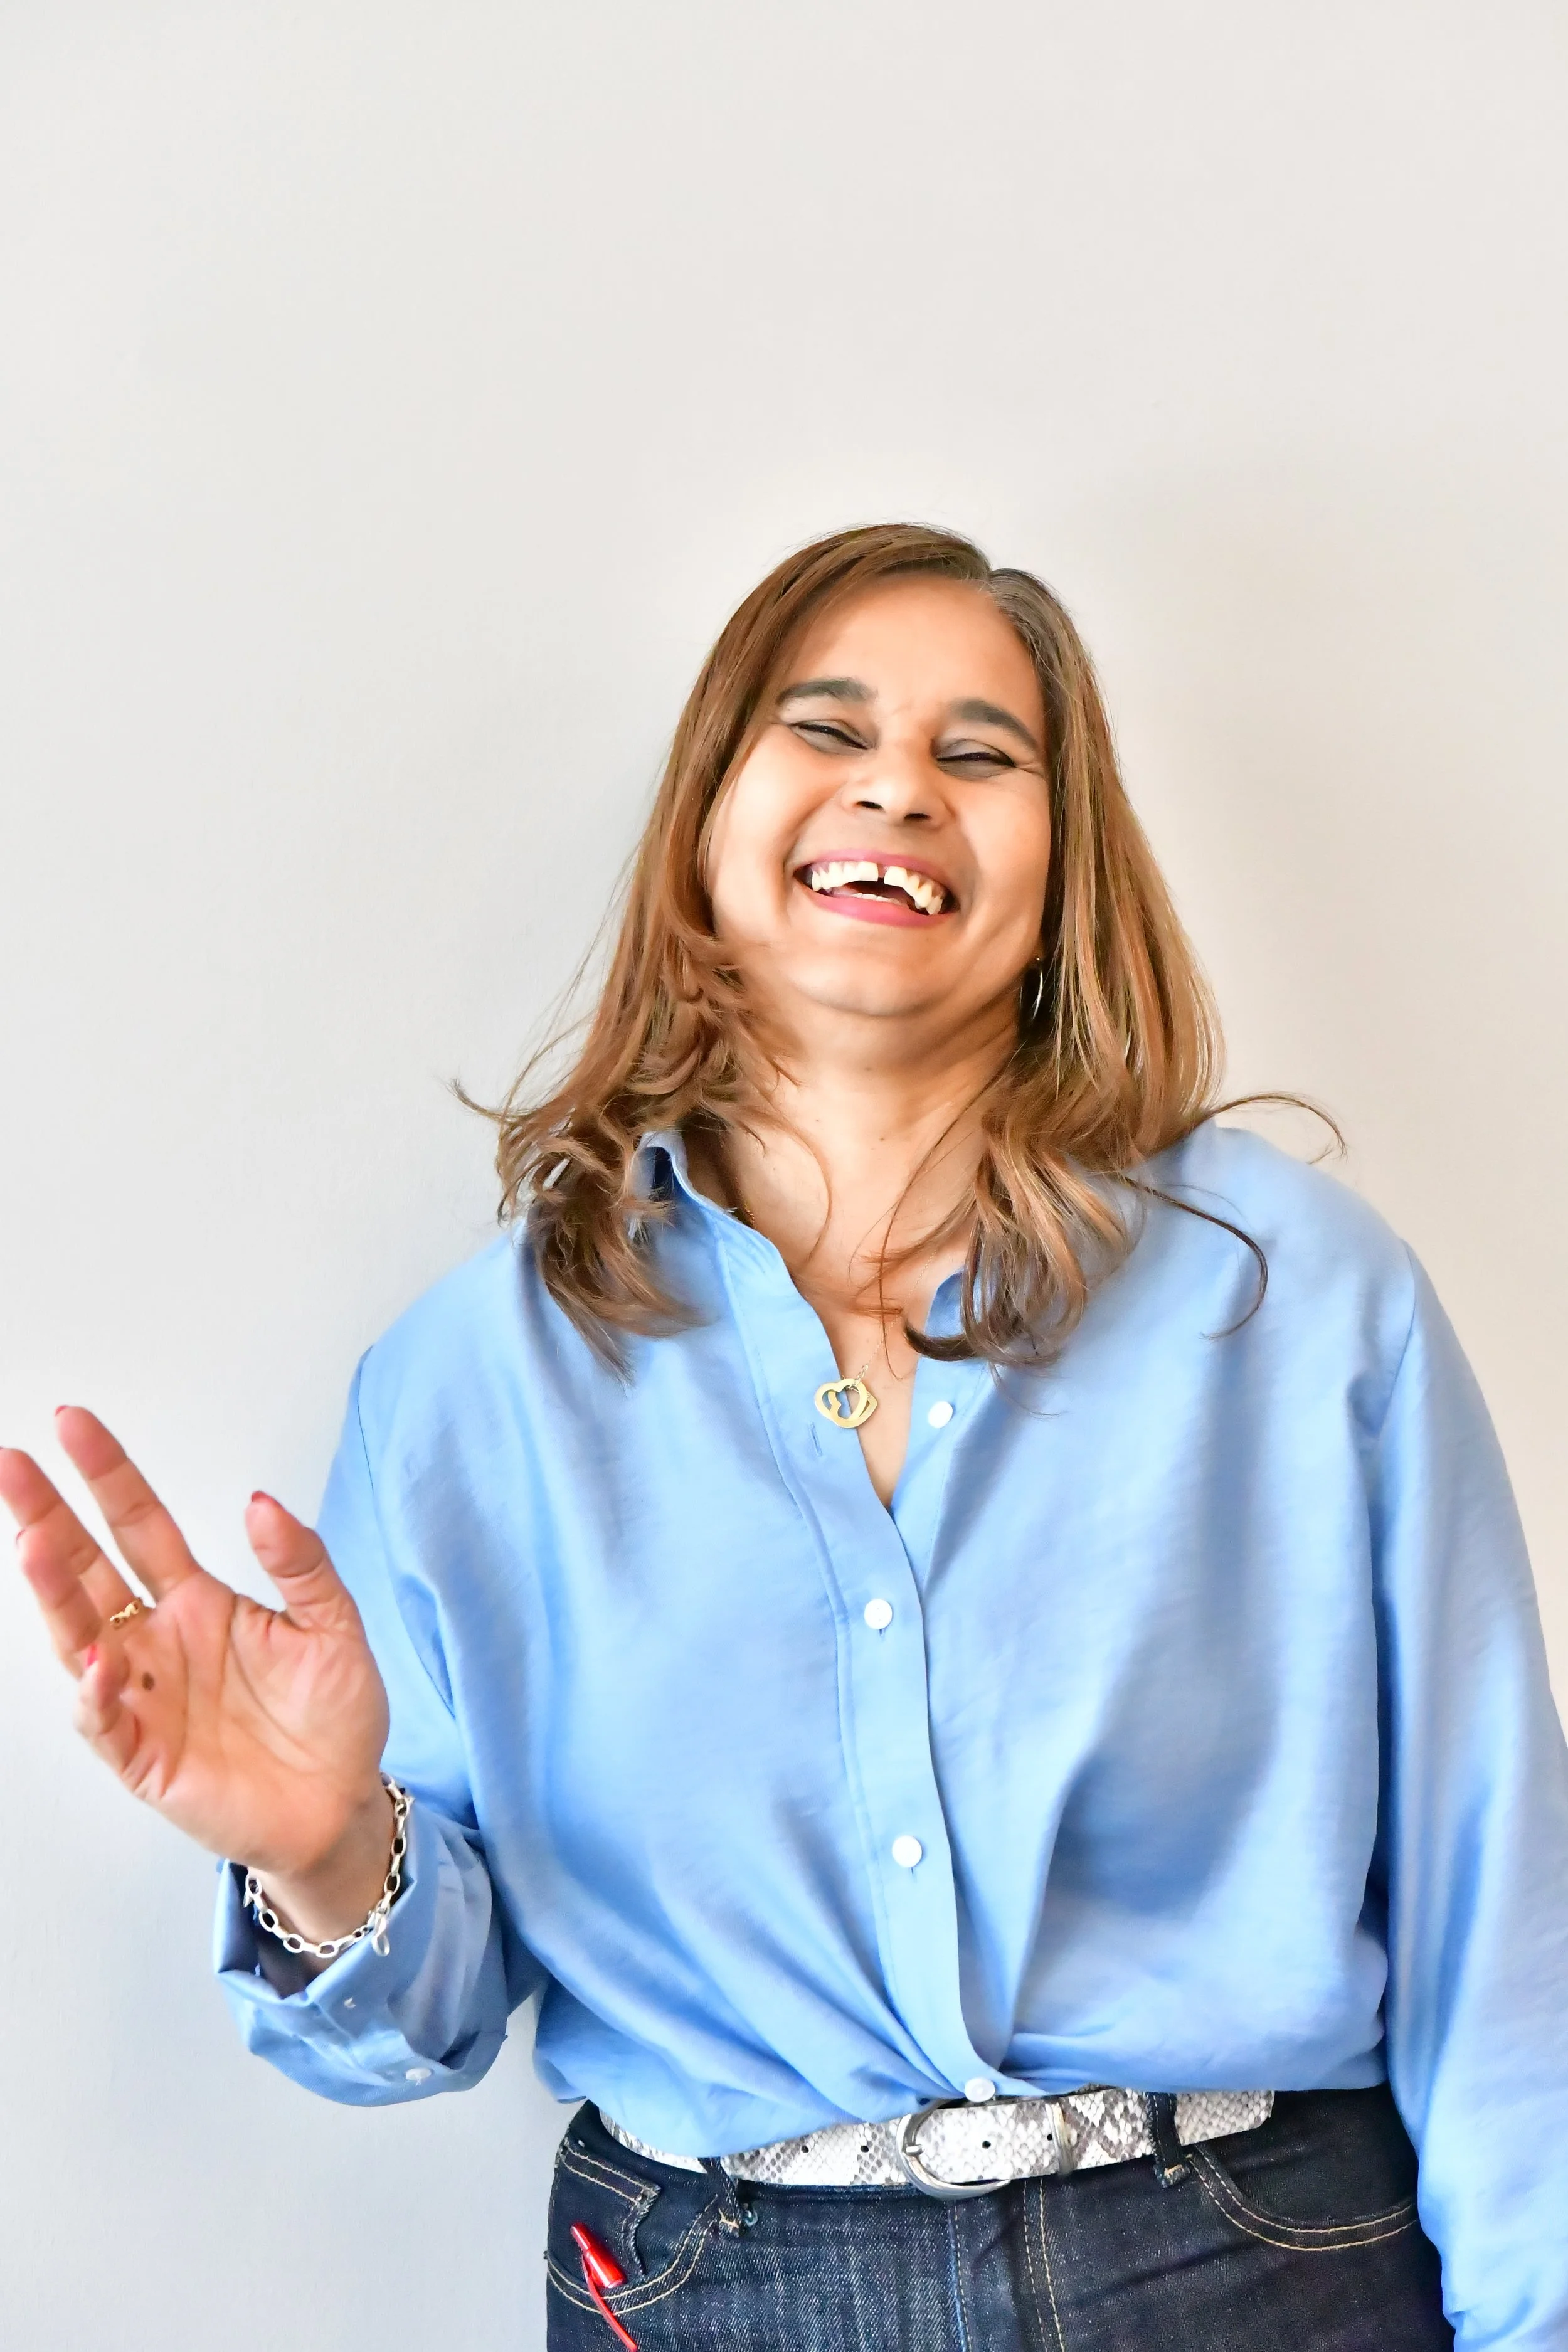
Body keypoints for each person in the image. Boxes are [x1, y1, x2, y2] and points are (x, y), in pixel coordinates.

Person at [4, 522, 1566, 2352]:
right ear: (704, 825)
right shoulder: (469, 1382)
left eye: (979, 754)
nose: (898, 783)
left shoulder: (1294, 1295)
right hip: (712, 2286)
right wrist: (327, 1848)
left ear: (1064, 870)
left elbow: (1493, 1894)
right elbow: (417, 2026)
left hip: (1248, 2264)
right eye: (825, 731)